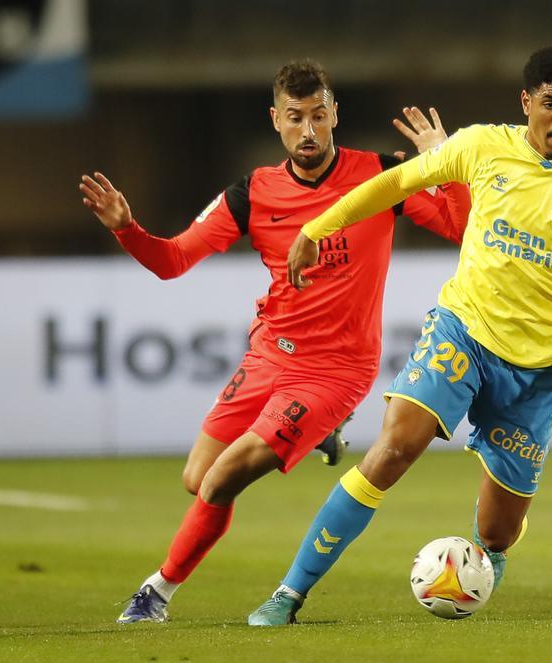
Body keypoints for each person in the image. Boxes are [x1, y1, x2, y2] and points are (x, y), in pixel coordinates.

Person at [247, 45, 552, 626]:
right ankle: (288, 593)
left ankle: (475, 574)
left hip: (536, 374)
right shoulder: (482, 145)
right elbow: (398, 183)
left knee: (498, 532)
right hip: (462, 332)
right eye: (550, 103)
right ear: (527, 103)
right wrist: (319, 224)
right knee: (392, 449)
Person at [78, 60, 471, 624]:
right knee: (198, 479)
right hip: (271, 354)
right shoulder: (252, 194)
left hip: (337, 370)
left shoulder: (383, 176)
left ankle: (155, 593)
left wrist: (445, 165)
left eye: (318, 116)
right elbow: (172, 260)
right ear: (276, 121)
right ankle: (319, 434)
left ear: (335, 114)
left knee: (222, 479)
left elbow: (462, 230)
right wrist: (126, 228)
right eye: (295, 119)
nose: (309, 131)